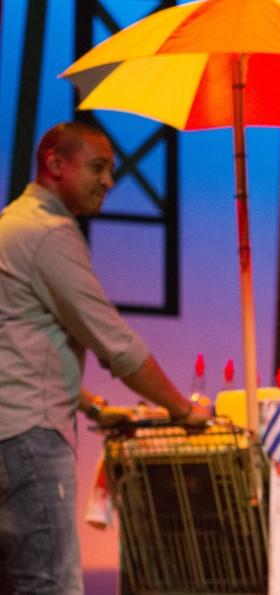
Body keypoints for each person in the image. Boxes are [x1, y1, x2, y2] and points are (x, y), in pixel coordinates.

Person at [0, 121, 212, 594]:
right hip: (29, 439)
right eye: (98, 167)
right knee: (50, 586)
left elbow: (20, 349)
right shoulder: (48, 233)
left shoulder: (11, 223)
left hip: (9, 435)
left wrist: (93, 405)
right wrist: (184, 409)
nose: (109, 181)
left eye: (111, 170)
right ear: (55, 164)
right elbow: (116, 344)